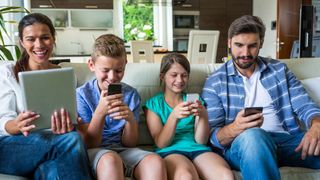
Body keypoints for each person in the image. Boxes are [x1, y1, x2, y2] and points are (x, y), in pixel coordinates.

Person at [202, 15, 320, 180]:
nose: (245, 53)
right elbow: (212, 138)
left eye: (252, 46)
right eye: (239, 45)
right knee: (254, 135)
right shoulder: (215, 82)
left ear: (261, 44)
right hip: (245, 146)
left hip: (287, 142)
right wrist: (235, 128)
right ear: (229, 43)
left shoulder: (279, 70)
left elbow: (305, 105)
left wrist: (316, 125)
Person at [0, 13, 92, 179]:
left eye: (45, 37)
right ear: (21, 42)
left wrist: (69, 125)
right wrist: (17, 124)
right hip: (11, 145)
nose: (39, 45)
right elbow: (3, 122)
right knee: (71, 140)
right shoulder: (8, 72)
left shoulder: (67, 75)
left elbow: (70, 115)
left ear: (53, 38)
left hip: (52, 144)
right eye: (30, 39)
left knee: (52, 171)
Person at [76, 34, 167, 180]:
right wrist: (99, 113)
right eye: (105, 70)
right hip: (97, 152)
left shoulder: (131, 95)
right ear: (92, 65)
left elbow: (130, 144)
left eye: (119, 70)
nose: (112, 77)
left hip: (124, 150)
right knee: (111, 160)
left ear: (125, 64)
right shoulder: (82, 95)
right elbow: (90, 143)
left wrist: (130, 120)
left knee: (154, 161)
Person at [144, 53, 234, 180]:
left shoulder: (195, 100)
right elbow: (161, 143)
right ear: (162, 76)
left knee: (226, 176)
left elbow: (201, 141)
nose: (180, 80)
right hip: (170, 151)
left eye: (184, 75)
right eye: (174, 75)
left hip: (199, 149)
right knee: (186, 176)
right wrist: (173, 117)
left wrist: (202, 116)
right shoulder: (153, 104)